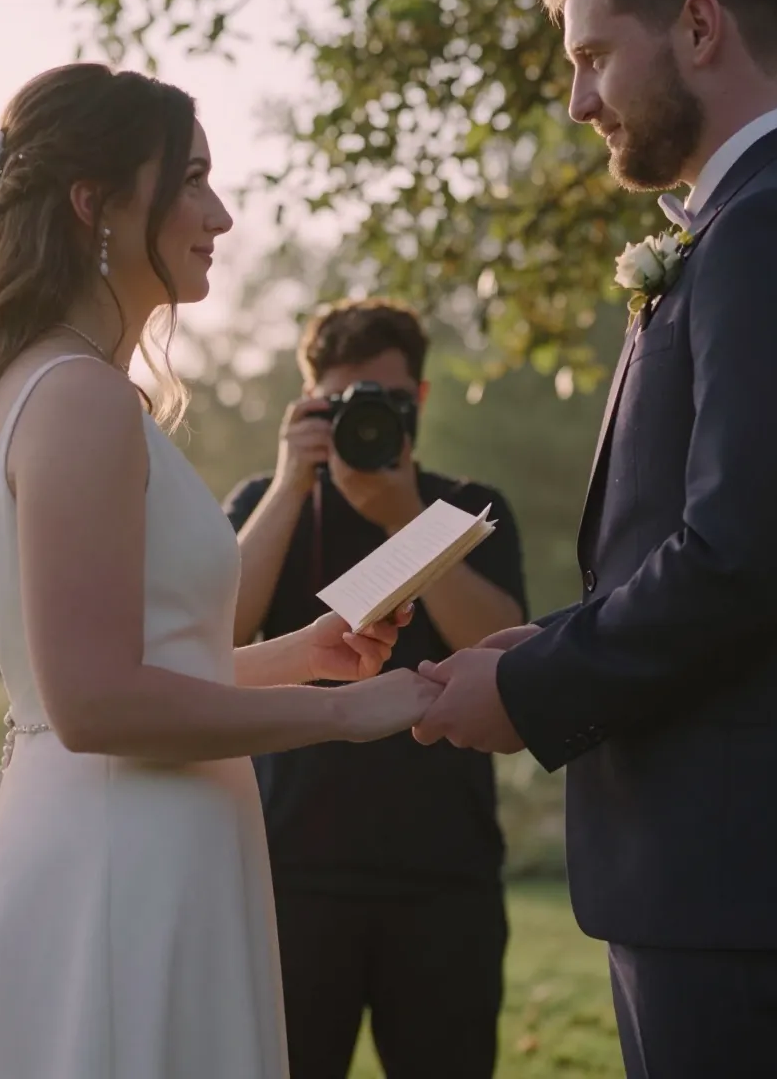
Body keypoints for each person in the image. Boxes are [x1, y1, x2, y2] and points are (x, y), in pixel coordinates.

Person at [0, 64, 440, 1079]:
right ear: (93, 202)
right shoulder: (77, 398)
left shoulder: (68, 388)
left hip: (149, 845)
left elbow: (133, 667)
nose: (219, 212)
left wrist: (298, 658)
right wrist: (353, 714)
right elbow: (92, 707)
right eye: (189, 180)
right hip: (116, 862)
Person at [413, 0, 777, 1078]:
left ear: (700, 29)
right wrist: (534, 643)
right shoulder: (745, 225)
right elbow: (707, 537)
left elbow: (747, 552)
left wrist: (539, 686)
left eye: (595, 55)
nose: (578, 100)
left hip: (755, 861)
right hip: (714, 864)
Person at [223, 299, 527, 1079]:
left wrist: (404, 517)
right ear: (308, 403)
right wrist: (292, 484)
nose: (368, 419)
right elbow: (214, 634)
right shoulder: (266, 504)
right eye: (344, 402)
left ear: (419, 400)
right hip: (291, 873)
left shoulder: (465, 506)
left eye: (387, 401)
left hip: (442, 878)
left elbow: (503, 645)